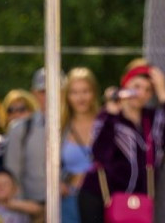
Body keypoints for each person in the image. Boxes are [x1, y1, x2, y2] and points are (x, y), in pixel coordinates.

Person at [78, 62, 165, 223]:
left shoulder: (153, 119)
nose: (141, 93)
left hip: (135, 202)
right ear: (124, 85)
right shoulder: (108, 117)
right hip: (101, 196)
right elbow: (99, 153)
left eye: (148, 90)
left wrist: (164, 95)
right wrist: (112, 112)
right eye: (136, 86)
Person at [3, 69, 49, 211]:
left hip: (71, 207)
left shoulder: (77, 126)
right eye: (43, 91)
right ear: (34, 93)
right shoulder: (19, 128)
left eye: (58, 89)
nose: (51, 95)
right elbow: (12, 172)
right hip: (29, 208)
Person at [61, 67, 99, 223]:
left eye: (85, 91)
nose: (80, 97)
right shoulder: (61, 128)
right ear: (67, 96)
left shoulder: (106, 123)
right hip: (71, 198)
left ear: (94, 93)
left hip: (100, 196)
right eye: (74, 92)